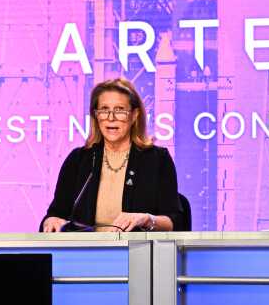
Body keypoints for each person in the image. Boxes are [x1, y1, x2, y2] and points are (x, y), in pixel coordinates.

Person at [42, 78, 185, 232]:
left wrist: (146, 219)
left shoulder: (157, 159)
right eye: (104, 109)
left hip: (138, 254)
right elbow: (56, 213)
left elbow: (175, 222)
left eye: (119, 110)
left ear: (134, 115)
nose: (111, 117)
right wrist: (51, 221)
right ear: (96, 115)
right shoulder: (78, 160)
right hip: (83, 254)